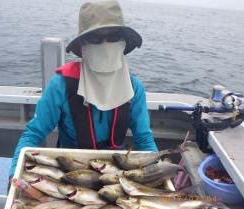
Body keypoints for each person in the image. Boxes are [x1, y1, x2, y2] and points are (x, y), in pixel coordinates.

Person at [9, 0, 158, 179]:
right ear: (83, 46)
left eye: (113, 36)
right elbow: (33, 134)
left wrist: (158, 173)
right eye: (95, 38)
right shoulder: (61, 85)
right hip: (69, 173)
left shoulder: (134, 89)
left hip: (117, 173)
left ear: (123, 42)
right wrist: (14, 176)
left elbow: (144, 140)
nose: (105, 44)